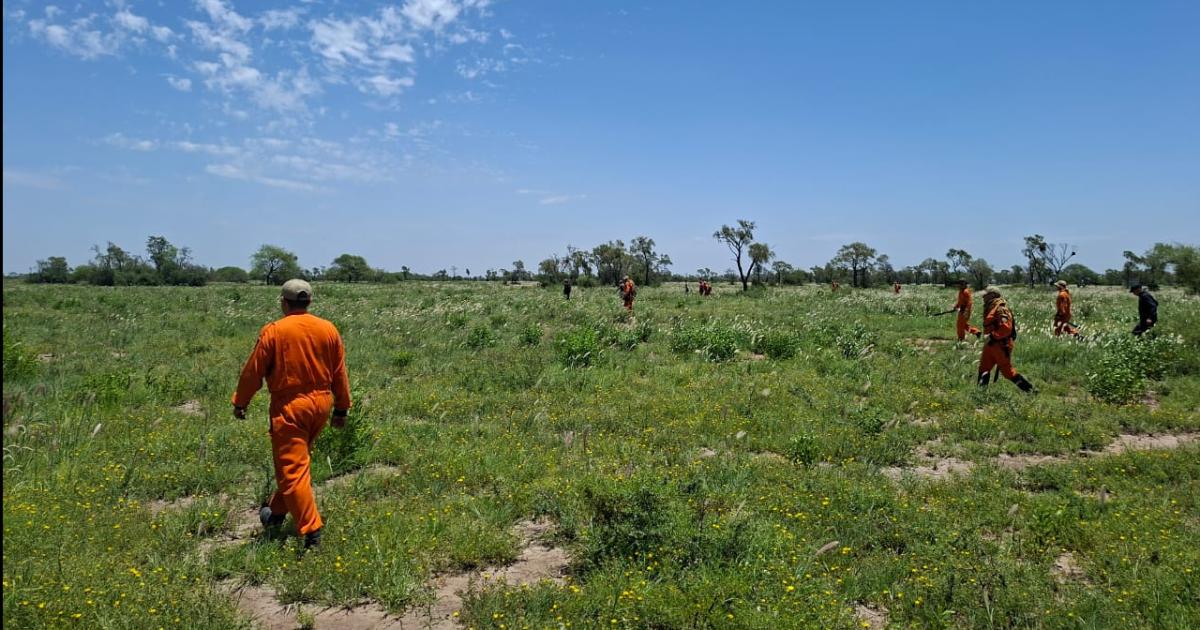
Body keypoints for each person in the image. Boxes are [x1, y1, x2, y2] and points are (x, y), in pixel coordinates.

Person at [232, 279, 352, 549]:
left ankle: (312, 532)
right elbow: (339, 372)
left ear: (284, 303)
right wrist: (341, 407)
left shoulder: (274, 330)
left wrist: (241, 402)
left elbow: (253, 372)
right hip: (321, 405)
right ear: (309, 302)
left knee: (293, 470)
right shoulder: (328, 328)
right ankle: (274, 515)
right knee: (296, 464)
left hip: (290, 406)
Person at [978, 286, 1034, 392]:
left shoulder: (1001, 309)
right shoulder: (991, 307)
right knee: (984, 367)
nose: (983, 297)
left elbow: (1006, 328)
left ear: (993, 295)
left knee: (1007, 372)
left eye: (986, 294)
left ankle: (1031, 390)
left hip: (1000, 345)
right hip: (990, 345)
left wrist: (992, 336)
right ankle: (980, 393)